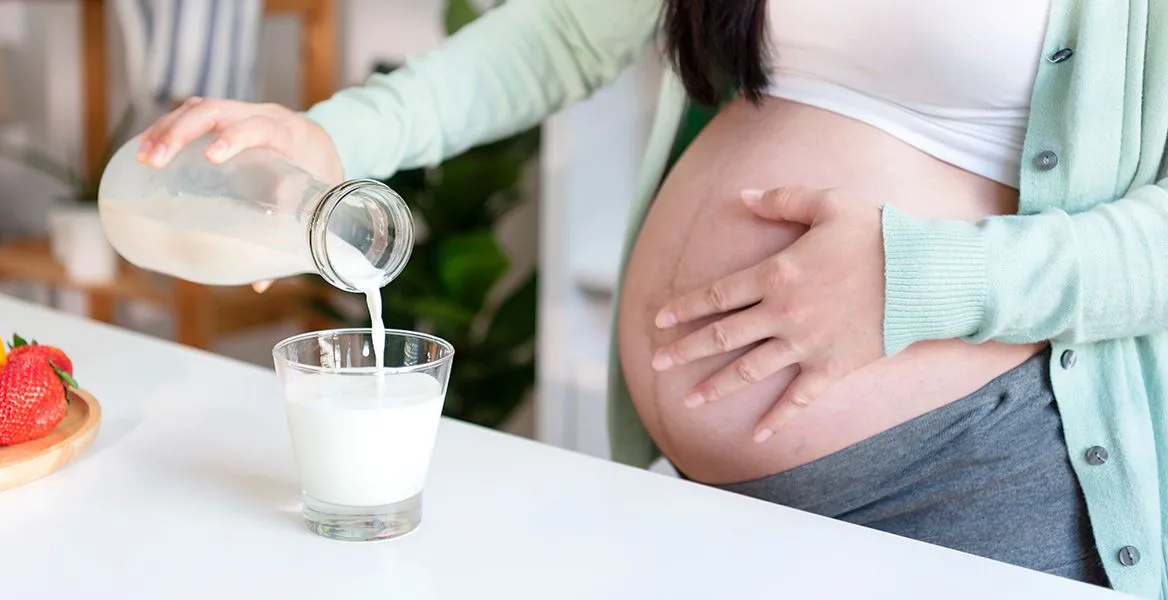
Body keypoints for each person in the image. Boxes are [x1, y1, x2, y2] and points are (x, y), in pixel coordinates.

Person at [137, 1, 1167, 596]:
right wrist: (341, 139)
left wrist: (921, 279)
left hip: (970, 484)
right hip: (699, 497)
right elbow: (564, 33)